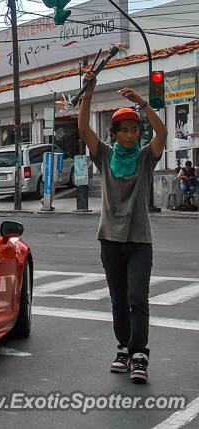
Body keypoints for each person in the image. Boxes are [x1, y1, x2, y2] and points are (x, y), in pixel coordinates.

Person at [78, 71, 167, 384]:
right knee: (118, 301)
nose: (129, 135)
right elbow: (83, 128)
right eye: (123, 131)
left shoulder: (145, 158)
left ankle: (140, 353)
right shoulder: (103, 156)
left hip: (140, 241)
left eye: (134, 130)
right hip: (110, 240)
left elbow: (163, 134)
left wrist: (142, 103)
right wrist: (89, 92)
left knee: (137, 299)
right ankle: (124, 350)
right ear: (114, 134)